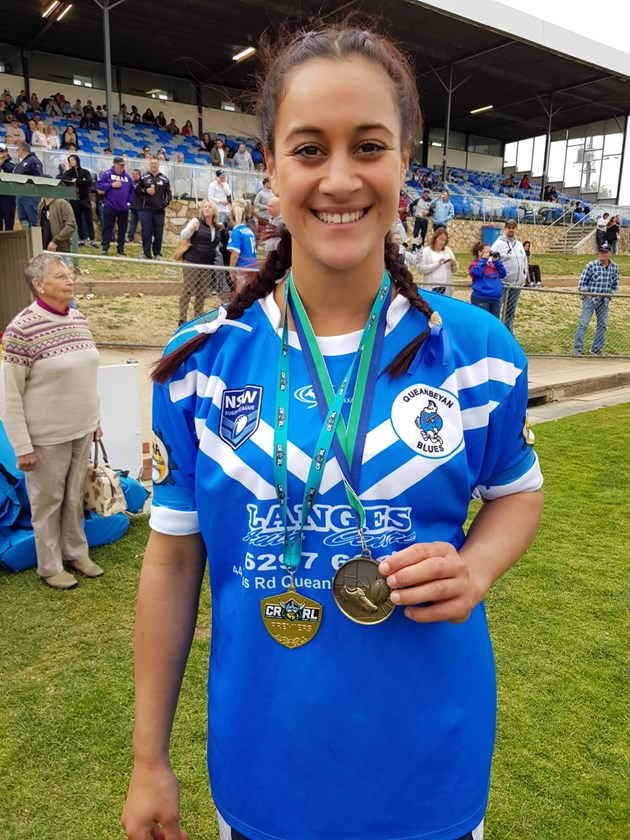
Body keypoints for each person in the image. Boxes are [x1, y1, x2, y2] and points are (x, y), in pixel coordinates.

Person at [121, 23, 543, 840]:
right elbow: (171, 563)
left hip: (430, 778)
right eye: (310, 149)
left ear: (405, 163)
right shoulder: (201, 362)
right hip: (263, 779)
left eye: (369, 146)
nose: (340, 178)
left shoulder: (476, 353)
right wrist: (148, 760)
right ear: (271, 166)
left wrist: (477, 566)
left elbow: (518, 494)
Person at [0, 254, 104, 590]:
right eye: (60, 276)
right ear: (38, 285)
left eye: (69, 274)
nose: (69, 280)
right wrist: (22, 446)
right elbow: (9, 395)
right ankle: (49, 567)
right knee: (47, 504)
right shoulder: (21, 329)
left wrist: (95, 420)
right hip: (46, 437)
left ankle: (76, 553)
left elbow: (85, 377)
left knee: (74, 497)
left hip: (81, 429)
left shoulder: (78, 318)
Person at [178, 199, 224, 324]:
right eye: (205, 206)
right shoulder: (196, 221)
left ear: (214, 210)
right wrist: (191, 229)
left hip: (207, 263)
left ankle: (197, 318)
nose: (207, 209)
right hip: (192, 261)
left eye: (209, 207)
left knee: (202, 291)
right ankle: (182, 319)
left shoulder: (216, 226)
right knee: (188, 289)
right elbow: (183, 235)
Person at [573, 243, 619, 356]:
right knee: (583, 324)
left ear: (610, 253)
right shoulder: (591, 265)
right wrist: (588, 295)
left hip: (604, 301)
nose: (603, 254)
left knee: (602, 325)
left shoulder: (614, 267)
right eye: (601, 252)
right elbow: (582, 284)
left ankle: (596, 349)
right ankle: (578, 349)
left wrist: (610, 295)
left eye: (605, 252)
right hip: (590, 300)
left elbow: (615, 284)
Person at [490, 219, 528, 334]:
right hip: (503, 285)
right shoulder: (498, 244)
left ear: (516, 229)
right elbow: (491, 261)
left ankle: (508, 334)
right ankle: (494, 333)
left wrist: (524, 275)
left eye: (513, 228)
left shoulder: (519, 244)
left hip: (516, 286)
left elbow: (525, 261)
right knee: (496, 310)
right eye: (509, 227)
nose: (511, 230)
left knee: (510, 312)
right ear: (505, 228)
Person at [96, 156, 135, 256]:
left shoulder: (127, 177)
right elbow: (99, 185)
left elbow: (132, 191)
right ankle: (105, 247)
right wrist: (111, 185)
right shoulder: (107, 174)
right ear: (115, 164)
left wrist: (129, 202)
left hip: (123, 208)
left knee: (122, 228)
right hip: (110, 206)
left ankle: (120, 248)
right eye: (120, 165)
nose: (122, 167)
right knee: (108, 227)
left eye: (123, 165)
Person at [136, 157, 172, 260]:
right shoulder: (144, 177)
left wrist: (164, 204)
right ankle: (146, 253)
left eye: (155, 163)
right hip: (146, 210)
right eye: (152, 163)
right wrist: (146, 191)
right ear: (149, 164)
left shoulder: (164, 179)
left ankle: (157, 253)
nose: (153, 165)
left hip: (159, 211)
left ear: (158, 164)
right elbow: (137, 191)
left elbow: (169, 194)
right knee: (146, 232)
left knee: (158, 233)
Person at [61, 154, 97, 247]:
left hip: (85, 199)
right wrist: (80, 181)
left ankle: (92, 239)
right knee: (78, 220)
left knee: (89, 219)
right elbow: (65, 181)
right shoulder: (68, 172)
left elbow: (89, 182)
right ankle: (82, 239)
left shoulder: (85, 171)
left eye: (73, 160)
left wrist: (77, 180)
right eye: (70, 160)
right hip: (75, 199)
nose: (71, 162)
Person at [468, 241, 507, 318]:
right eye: (487, 252)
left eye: (490, 252)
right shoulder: (474, 264)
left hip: (495, 299)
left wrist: (497, 262)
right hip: (482, 298)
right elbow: (476, 273)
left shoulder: (492, 265)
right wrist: (483, 260)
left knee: (493, 322)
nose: (489, 254)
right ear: (479, 252)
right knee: (482, 321)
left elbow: (503, 274)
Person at [416, 227, 458, 296]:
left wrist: (454, 264)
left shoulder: (448, 250)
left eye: (445, 240)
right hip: (430, 288)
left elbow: (454, 270)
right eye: (441, 239)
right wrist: (437, 264)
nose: (443, 242)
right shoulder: (426, 251)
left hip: (446, 287)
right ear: (435, 238)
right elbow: (419, 269)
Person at [12, 141, 44, 227]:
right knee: (23, 220)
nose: (17, 152)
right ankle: (27, 235)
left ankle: (36, 235)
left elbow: (39, 176)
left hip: (30, 195)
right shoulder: (19, 164)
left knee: (33, 219)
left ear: (22, 150)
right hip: (19, 195)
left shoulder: (33, 160)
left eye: (17, 150)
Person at [226, 200, 258, 285]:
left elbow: (235, 254)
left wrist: (231, 270)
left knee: (241, 291)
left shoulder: (236, 231)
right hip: (253, 265)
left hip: (243, 267)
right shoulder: (249, 231)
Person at [0, 142, 16, 230]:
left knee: (9, 222)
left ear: (7, 152)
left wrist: (2, 163)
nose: (1, 154)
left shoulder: (11, 164)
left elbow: (12, 173)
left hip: (8, 197)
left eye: (2, 152)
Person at [127, 168, 143, 244]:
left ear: (138, 174)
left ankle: (144, 238)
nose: (132, 175)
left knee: (144, 224)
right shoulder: (132, 183)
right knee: (132, 223)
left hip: (141, 207)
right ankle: (130, 238)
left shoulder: (142, 183)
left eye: (134, 173)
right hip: (133, 206)